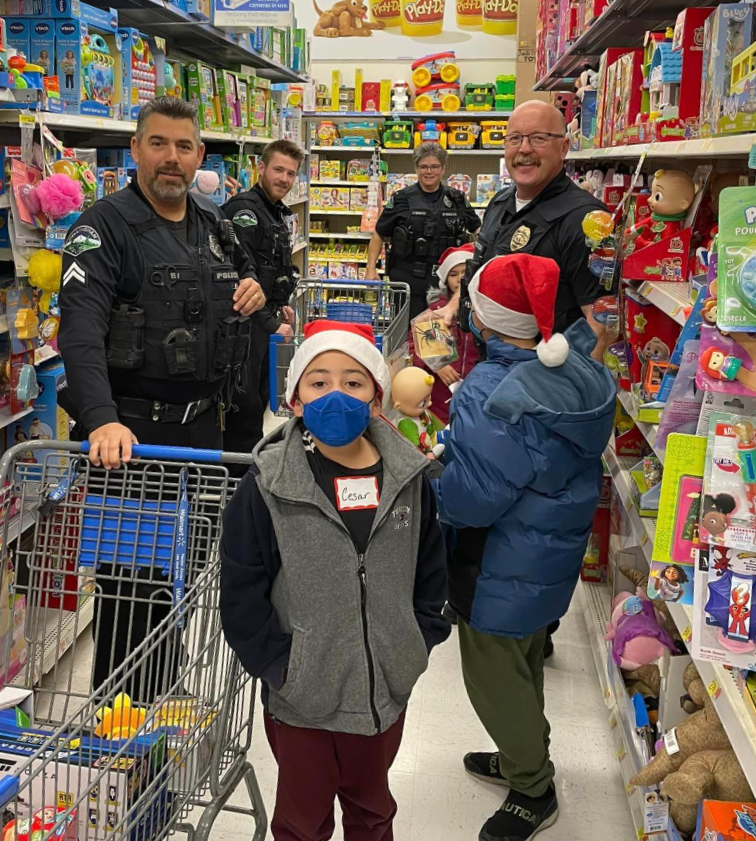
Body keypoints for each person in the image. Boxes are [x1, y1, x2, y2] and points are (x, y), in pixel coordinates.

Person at [58, 96, 266, 697]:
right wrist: (99, 419)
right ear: (136, 151)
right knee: (132, 597)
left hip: (205, 436)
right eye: (158, 144)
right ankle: (121, 730)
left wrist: (252, 293)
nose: (171, 159)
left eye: (183, 147)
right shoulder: (102, 229)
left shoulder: (213, 223)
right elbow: (80, 330)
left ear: (199, 155)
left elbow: (248, 283)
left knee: (184, 577)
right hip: (131, 442)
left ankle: (163, 705)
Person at [220, 320, 451, 841]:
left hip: (384, 691)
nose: (335, 395)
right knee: (302, 822)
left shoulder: (409, 481)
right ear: (295, 399)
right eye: (318, 382)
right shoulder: (268, 487)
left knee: (373, 811)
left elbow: (431, 568)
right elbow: (241, 589)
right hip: (302, 698)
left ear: (376, 400)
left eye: (353, 382)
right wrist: (282, 667)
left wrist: (415, 642)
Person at [435, 253, 616, 841]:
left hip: (498, 565)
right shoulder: (573, 368)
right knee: (523, 662)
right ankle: (522, 754)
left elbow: (473, 499)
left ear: (484, 322)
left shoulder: (489, 390)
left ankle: (532, 787)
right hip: (547, 557)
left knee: (490, 675)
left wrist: (438, 474)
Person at [441, 101, 610, 360]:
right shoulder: (500, 203)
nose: (524, 149)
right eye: (514, 139)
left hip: (543, 386)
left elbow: (600, 322)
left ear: (564, 147)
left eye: (539, 138)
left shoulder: (585, 219)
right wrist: (452, 307)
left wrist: (572, 391)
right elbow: (480, 274)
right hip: (492, 367)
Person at [223, 139, 305, 458]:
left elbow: (269, 269)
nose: (284, 179)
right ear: (261, 168)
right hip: (243, 326)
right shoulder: (244, 212)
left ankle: (250, 471)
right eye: (278, 170)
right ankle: (238, 478)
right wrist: (271, 323)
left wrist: (281, 306)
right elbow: (236, 279)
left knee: (259, 400)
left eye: (291, 173)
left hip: (264, 323)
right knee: (243, 407)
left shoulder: (273, 212)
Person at [367, 141, 481, 318]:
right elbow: (379, 233)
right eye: (424, 167)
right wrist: (370, 269)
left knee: (446, 332)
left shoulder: (457, 198)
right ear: (416, 168)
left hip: (447, 282)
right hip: (408, 280)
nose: (429, 172)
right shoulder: (401, 199)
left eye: (434, 166)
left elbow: (477, 230)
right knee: (407, 334)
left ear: (443, 169)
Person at [409, 244, 479, 425]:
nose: (460, 278)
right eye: (453, 274)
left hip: (474, 389)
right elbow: (412, 344)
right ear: (445, 280)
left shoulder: (483, 311)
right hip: (440, 393)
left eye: (465, 272)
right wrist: (437, 365)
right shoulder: (435, 311)